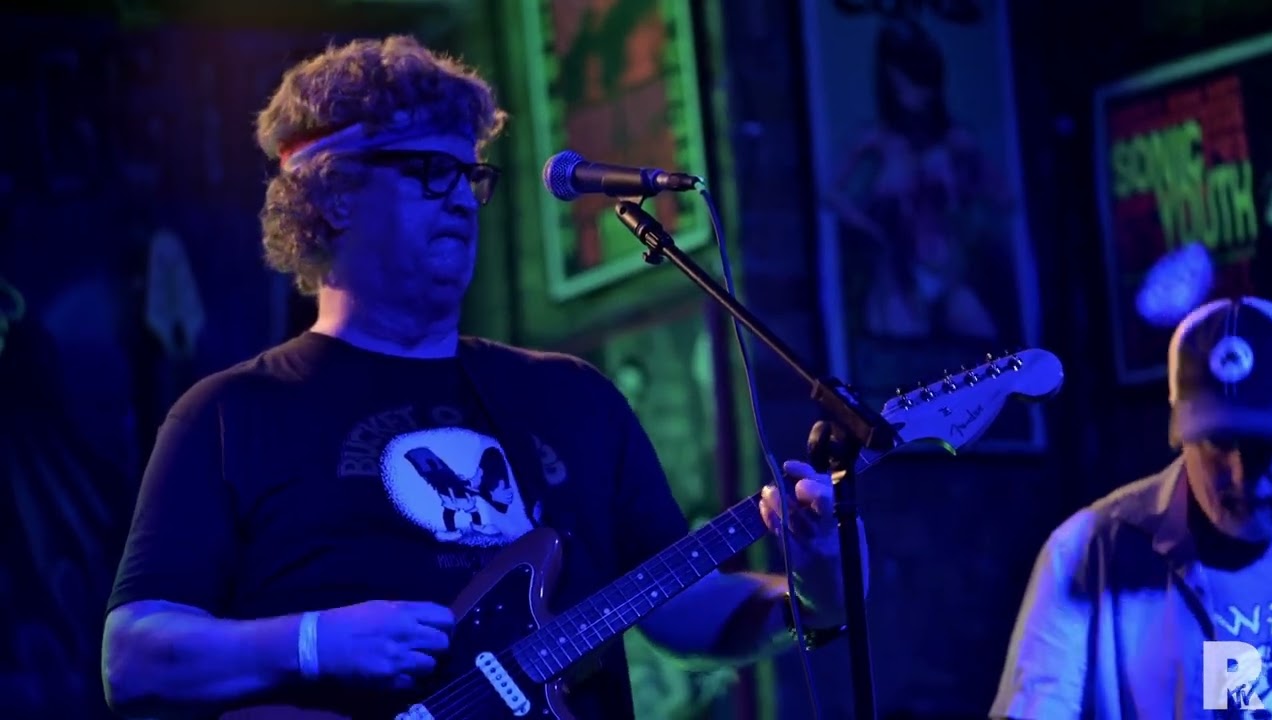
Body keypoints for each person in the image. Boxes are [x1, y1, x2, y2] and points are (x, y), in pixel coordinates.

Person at [100, 35, 860, 720]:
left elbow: (679, 609)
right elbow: (133, 658)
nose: (462, 198)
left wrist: (815, 585)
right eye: (431, 173)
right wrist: (313, 643)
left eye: (470, 174)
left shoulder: (572, 398)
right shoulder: (234, 412)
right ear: (330, 196)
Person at [990, 296, 1272, 719]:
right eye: (1218, 443)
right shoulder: (1082, 552)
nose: (1240, 474)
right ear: (1182, 433)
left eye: (1265, 445)